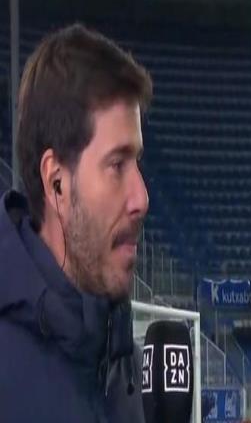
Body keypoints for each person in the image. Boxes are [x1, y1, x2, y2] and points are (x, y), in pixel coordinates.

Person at [0, 24, 152, 422]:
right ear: (57, 183)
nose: (141, 198)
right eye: (117, 165)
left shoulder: (122, 362)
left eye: (137, 162)